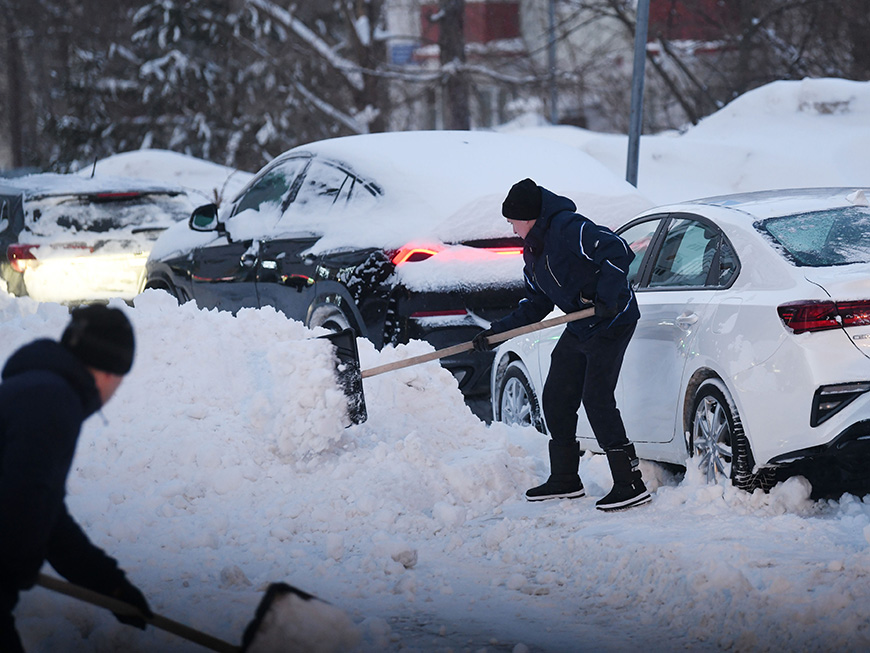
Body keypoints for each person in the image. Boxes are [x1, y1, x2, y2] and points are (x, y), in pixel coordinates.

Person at [474, 178, 650, 511]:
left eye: (512, 220)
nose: (511, 227)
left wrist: (608, 296)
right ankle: (566, 478)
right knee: (556, 396)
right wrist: (496, 332)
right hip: (581, 324)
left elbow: (617, 249)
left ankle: (630, 482)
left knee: (596, 397)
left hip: (613, 319)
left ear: (528, 217)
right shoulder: (533, 252)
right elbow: (536, 304)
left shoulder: (569, 227)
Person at [0, 305, 153, 651]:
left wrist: (111, 587)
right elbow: (23, 503)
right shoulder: (51, 401)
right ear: (110, 373)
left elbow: (48, 516)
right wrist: (18, 560)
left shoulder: (36, 390)